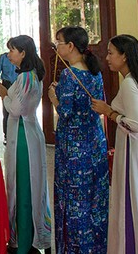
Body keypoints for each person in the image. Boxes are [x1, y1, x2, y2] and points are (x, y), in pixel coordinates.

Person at [91, 34, 138, 253]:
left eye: (111, 53)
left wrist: (110, 112)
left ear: (124, 56)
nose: (107, 58)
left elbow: (135, 124)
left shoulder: (130, 84)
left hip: (137, 153)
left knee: (136, 208)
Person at [48, 26, 108, 253]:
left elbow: (66, 112)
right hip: (95, 142)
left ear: (70, 46)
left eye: (59, 42)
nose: (57, 47)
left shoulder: (70, 74)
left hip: (74, 147)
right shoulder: (95, 72)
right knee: (94, 199)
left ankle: (74, 248)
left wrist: (54, 97)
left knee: (74, 201)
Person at [0, 35, 52, 254]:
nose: (9, 55)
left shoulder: (27, 77)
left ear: (23, 53)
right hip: (25, 132)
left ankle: (25, 241)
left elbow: (16, 109)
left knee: (23, 187)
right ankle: (20, 237)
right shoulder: (29, 75)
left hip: (23, 136)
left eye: (12, 50)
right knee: (22, 185)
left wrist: (4, 95)